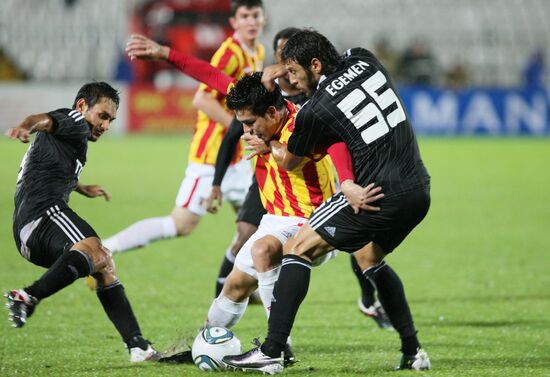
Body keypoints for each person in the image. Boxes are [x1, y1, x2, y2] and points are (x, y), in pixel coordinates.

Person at [222, 29, 432, 373]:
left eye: (292, 71)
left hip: (375, 193)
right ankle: (413, 352)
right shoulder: (365, 58)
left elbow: (289, 160)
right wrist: (281, 67)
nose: (289, 80)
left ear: (315, 65)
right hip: (418, 189)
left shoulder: (316, 109)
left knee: (296, 249)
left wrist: (269, 146)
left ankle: (273, 351)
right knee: (369, 257)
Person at [102, 1, 266, 288]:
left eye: (255, 15)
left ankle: (239, 283)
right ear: (234, 21)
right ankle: (105, 248)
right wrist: (241, 127)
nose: (251, 21)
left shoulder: (259, 51)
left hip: (237, 158)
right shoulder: (229, 53)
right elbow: (201, 99)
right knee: (181, 224)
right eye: (245, 16)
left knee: (260, 220)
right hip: (210, 155)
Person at [4, 82, 157, 362]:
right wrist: (26, 126)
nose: (106, 125)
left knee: (104, 264)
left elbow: (48, 163)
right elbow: (45, 121)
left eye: (111, 120)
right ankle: (28, 296)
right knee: (96, 251)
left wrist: (80, 187)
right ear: (82, 107)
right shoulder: (74, 121)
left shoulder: (76, 136)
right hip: (42, 216)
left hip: (31, 226)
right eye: (103, 116)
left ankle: (138, 347)